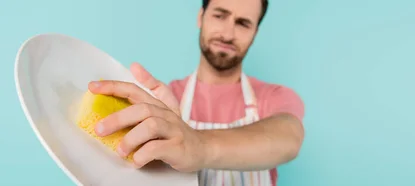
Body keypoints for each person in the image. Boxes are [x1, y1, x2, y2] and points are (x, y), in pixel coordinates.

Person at [86, 0, 305, 185]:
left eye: (243, 23)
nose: (228, 34)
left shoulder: (274, 96)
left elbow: (288, 138)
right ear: (201, 17)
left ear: (255, 32)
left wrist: (199, 145)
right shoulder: (163, 102)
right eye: (220, 16)